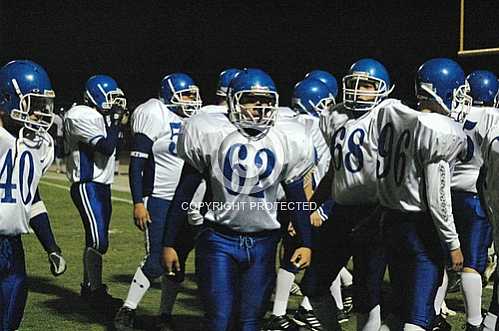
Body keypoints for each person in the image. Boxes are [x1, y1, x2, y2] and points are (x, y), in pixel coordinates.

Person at [161, 68, 314, 331]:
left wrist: (305, 241)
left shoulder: (288, 136)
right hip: (219, 239)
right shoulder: (211, 131)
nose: (261, 108)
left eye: (267, 101)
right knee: (220, 320)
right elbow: (184, 192)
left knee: (250, 323)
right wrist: (169, 242)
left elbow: (296, 196)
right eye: (252, 100)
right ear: (234, 101)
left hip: (264, 242)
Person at [372, 58, 469, 331]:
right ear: (443, 90)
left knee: (398, 309)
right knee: (420, 314)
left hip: (391, 223)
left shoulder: (395, 115)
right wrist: (452, 242)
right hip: (420, 228)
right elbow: (437, 195)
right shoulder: (440, 130)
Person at [305, 59, 392, 331]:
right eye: (353, 83)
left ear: (383, 89)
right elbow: (333, 170)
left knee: (366, 294)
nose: (357, 90)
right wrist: (311, 205)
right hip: (342, 211)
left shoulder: (390, 115)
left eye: (366, 85)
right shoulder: (335, 116)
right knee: (313, 284)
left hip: (375, 211)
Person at [114, 73, 202, 331]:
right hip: (160, 197)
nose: (192, 100)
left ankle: (164, 315)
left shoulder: (196, 120)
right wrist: (138, 201)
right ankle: (128, 308)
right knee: (156, 261)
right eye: (186, 94)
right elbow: (138, 162)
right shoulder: (155, 112)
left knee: (177, 262)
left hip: (187, 199)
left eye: (193, 94)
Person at [263, 76, 335, 331]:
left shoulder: (284, 118)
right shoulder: (311, 126)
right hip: (301, 201)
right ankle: (291, 311)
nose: (329, 107)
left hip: (280, 199)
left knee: (296, 255)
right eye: (325, 102)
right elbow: (308, 173)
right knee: (307, 256)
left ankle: (291, 309)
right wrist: (305, 212)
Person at [0, 59, 56, 330]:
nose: (39, 114)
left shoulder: (38, 144)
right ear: (7, 99)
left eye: (42, 107)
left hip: (12, 246)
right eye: (32, 106)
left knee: (10, 321)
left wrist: (51, 247)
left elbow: (30, 196)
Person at [64, 74, 127, 312]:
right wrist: (113, 122)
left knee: (94, 240)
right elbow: (106, 147)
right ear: (96, 96)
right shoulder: (80, 114)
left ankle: (91, 289)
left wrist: (113, 122)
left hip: (102, 184)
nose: (116, 104)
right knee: (99, 241)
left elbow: (115, 145)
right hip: (86, 183)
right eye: (111, 99)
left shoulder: (99, 116)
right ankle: (94, 290)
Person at [449, 70, 498, 330]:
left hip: (447, 193)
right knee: (473, 264)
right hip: (476, 196)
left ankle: (433, 313)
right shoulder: (493, 116)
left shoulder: (454, 113)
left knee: (445, 260)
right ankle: (474, 321)